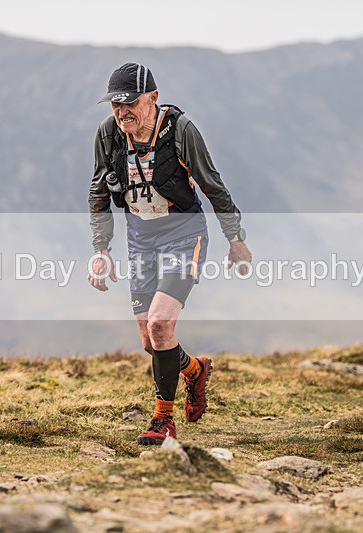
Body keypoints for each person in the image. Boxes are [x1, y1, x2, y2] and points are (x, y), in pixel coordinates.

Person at [88, 62, 252, 445]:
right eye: (114, 105)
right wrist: (101, 249)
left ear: (153, 98)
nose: (121, 111)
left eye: (129, 103)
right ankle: (195, 370)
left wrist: (235, 238)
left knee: (162, 325)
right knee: (151, 341)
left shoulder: (180, 131)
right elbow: (98, 191)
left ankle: (163, 420)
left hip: (183, 234)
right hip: (140, 239)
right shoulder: (108, 134)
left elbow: (213, 185)